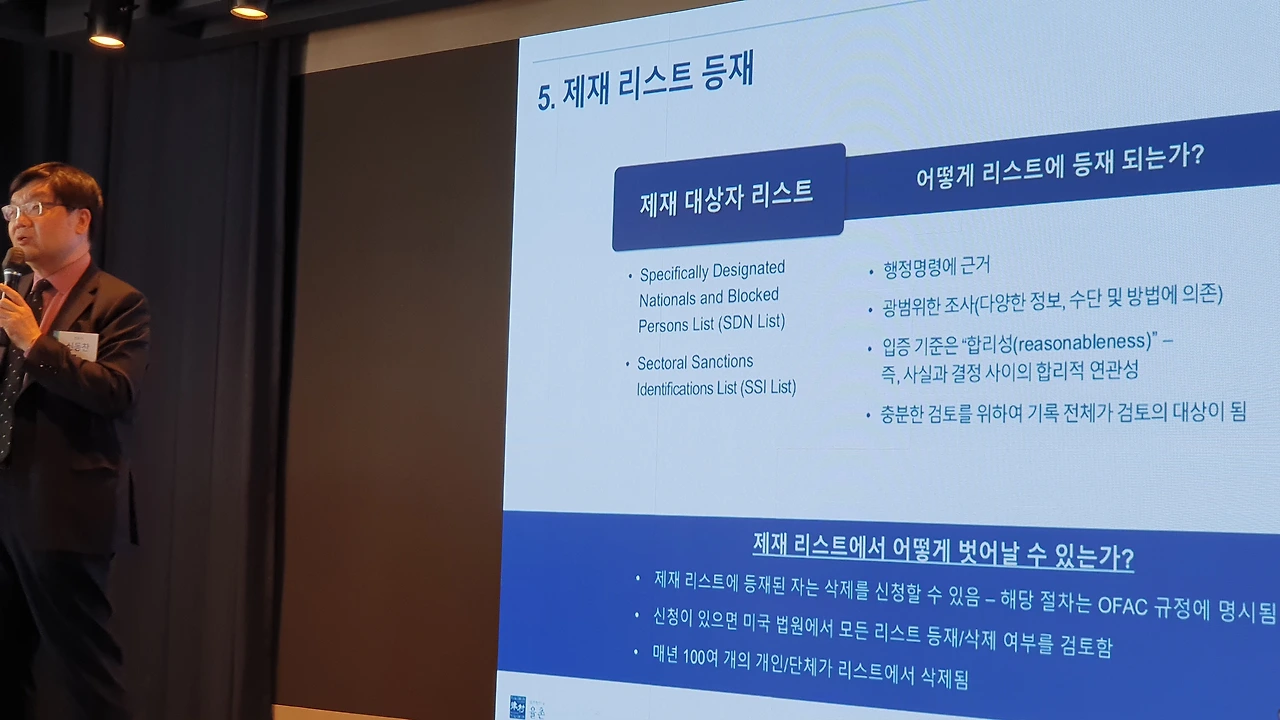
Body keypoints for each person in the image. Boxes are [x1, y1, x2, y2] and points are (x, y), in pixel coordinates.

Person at [0, 162, 149, 719]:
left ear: (81, 220)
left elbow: (116, 392)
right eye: (12, 210)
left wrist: (33, 342)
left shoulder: (118, 303)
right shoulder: (12, 294)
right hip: (5, 499)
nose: (19, 221)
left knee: (84, 670)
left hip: (63, 509)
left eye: (36, 208)